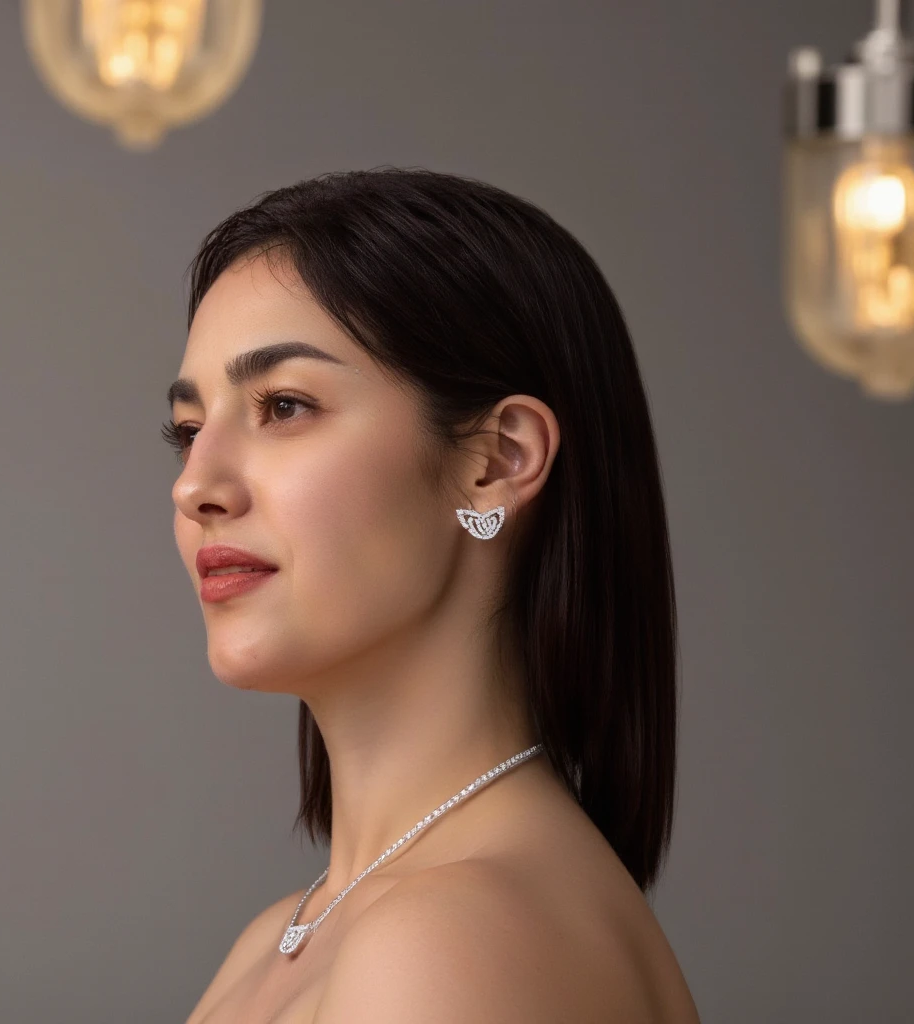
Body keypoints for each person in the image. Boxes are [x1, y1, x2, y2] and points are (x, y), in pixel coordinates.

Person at [165, 167, 700, 1022]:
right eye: (189, 430)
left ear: (496, 462)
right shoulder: (289, 934)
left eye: (286, 405)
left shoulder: (446, 937)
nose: (197, 484)